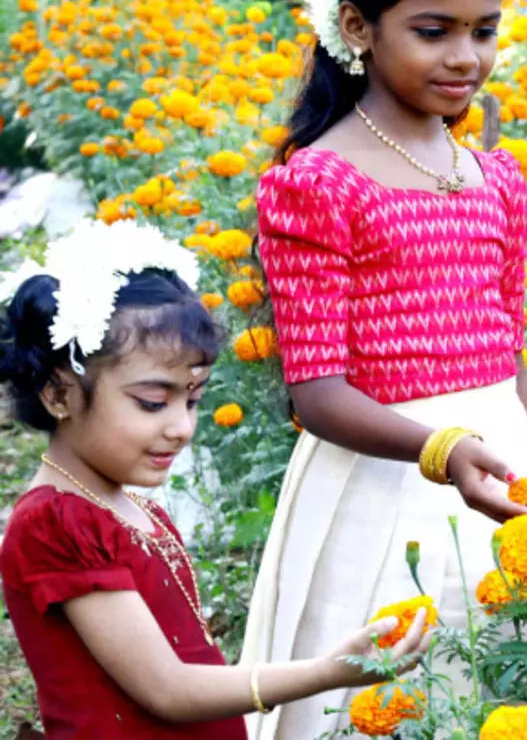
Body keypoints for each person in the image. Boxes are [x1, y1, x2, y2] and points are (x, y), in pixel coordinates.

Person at [240, 0, 527, 738]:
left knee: (501, 688)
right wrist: (439, 449)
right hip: (380, 482)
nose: (465, 56)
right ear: (358, 25)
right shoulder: (321, 181)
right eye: (434, 29)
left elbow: (508, 356)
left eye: (484, 31)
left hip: (501, 471)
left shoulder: (497, 179)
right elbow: (317, 393)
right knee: (380, 698)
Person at [0, 221, 429, 739]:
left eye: (194, 399)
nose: (181, 427)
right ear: (58, 394)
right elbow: (167, 688)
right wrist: (329, 671)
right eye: (152, 403)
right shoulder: (57, 521)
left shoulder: (119, 502)